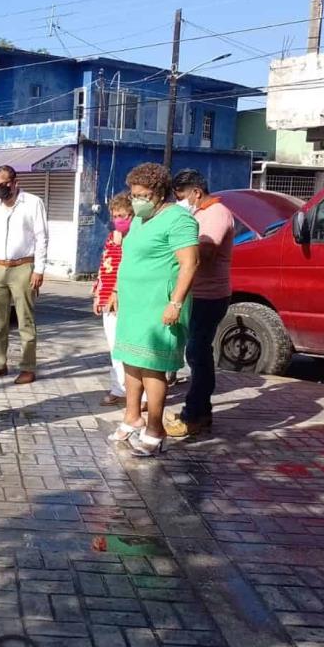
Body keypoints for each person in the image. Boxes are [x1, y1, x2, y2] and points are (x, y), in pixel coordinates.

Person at [109, 163, 199, 456]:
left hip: (159, 304)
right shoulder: (138, 220)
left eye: (144, 195)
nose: (137, 200)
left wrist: (175, 302)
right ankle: (132, 417)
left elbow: (190, 263)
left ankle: (155, 428)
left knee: (152, 368)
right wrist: (117, 290)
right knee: (130, 361)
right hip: (134, 303)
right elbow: (129, 257)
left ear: (160, 193)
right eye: (134, 194)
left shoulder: (179, 220)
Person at [165, 169, 236, 438]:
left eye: (181, 195)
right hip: (198, 294)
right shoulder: (198, 213)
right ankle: (200, 411)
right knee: (195, 353)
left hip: (210, 296)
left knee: (198, 353)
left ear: (196, 192)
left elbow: (204, 253)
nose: (180, 200)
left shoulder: (217, 214)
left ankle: (194, 414)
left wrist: (176, 251)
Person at [0, 164, 49, 385]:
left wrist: (39, 269)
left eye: (3, 184)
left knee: (25, 320)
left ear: (14, 182)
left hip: (23, 267)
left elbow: (41, 237)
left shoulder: (33, 203)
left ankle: (27, 367)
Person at [94, 193, 134, 407]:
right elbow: (105, 266)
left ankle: (142, 396)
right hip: (108, 301)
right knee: (114, 347)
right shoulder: (112, 237)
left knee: (132, 349)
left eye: (123, 215)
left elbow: (128, 268)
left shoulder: (136, 238)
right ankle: (118, 388)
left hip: (128, 300)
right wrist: (99, 293)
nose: (118, 219)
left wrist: (122, 244)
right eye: (115, 215)